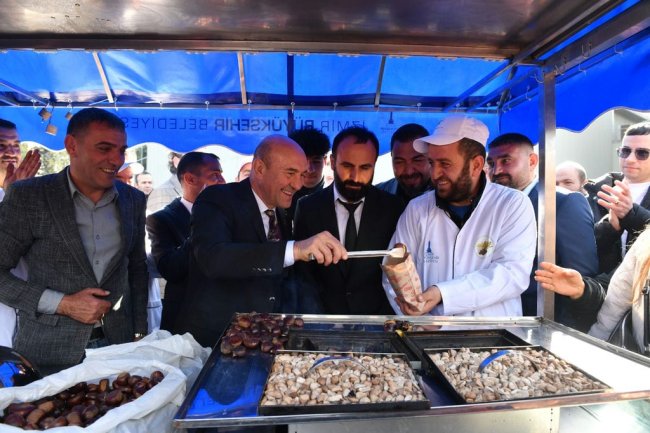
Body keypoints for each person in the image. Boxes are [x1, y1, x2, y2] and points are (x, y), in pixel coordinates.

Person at [0, 108, 148, 373]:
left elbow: (136, 268)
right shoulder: (29, 196)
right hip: (47, 352)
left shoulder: (133, 199)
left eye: (121, 150)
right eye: (104, 148)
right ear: (71, 146)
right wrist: (63, 304)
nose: (116, 160)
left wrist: (139, 332)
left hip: (118, 348)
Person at [175, 135, 347, 347]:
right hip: (215, 339)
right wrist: (294, 249)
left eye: (302, 175)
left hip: (262, 338)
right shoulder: (217, 199)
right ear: (259, 168)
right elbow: (213, 258)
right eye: (290, 173)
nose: (298, 184)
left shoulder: (280, 210)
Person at [382, 116, 537, 317]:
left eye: (445, 164)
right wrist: (417, 320)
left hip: (493, 332)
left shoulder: (512, 204)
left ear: (476, 165)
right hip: (428, 332)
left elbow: (511, 274)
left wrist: (442, 293)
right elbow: (394, 271)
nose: (435, 174)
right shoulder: (417, 209)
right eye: (432, 163)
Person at [486, 133, 598, 328]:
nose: (497, 170)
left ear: (532, 161)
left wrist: (560, 334)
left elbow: (580, 277)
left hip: (541, 324)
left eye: (506, 160)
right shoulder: (489, 205)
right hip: (494, 320)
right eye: (491, 163)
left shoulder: (562, 202)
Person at [294, 126, 405, 314]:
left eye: (365, 168)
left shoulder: (393, 208)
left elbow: (398, 273)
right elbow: (303, 276)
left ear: (374, 165)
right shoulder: (307, 208)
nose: (355, 177)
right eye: (347, 166)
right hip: (323, 321)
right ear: (332, 162)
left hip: (378, 322)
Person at [146, 152, 224, 333]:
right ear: (190, 179)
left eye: (221, 174)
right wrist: (203, 224)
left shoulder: (228, 214)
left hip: (224, 318)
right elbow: (170, 269)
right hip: (186, 321)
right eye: (215, 175)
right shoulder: (161, 220)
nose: (222, 181)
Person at [585, 122, 650, 275]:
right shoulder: (594, 191)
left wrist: (631, 214)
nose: (630, 159)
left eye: (642, 153)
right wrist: (610, 227)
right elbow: (582, 248)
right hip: (597, 286)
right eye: (625, 151)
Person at [0, 119, 41, 348]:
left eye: (15, 145)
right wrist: (12, 198)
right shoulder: (14, 196)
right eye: (2, 145)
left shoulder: (31, 194)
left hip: (26, 315)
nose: (11, 153)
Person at [376, 123, 432, 204]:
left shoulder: (447, 197)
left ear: (431, 158)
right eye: (400, 162)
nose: (409, 171)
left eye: (417, 160)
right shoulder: (377, 195)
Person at [287, 128, 330, 224]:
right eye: (304, 161)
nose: (310, 169)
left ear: (325, 161)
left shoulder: (335, 197)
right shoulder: (280, 197)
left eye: (316, 161)